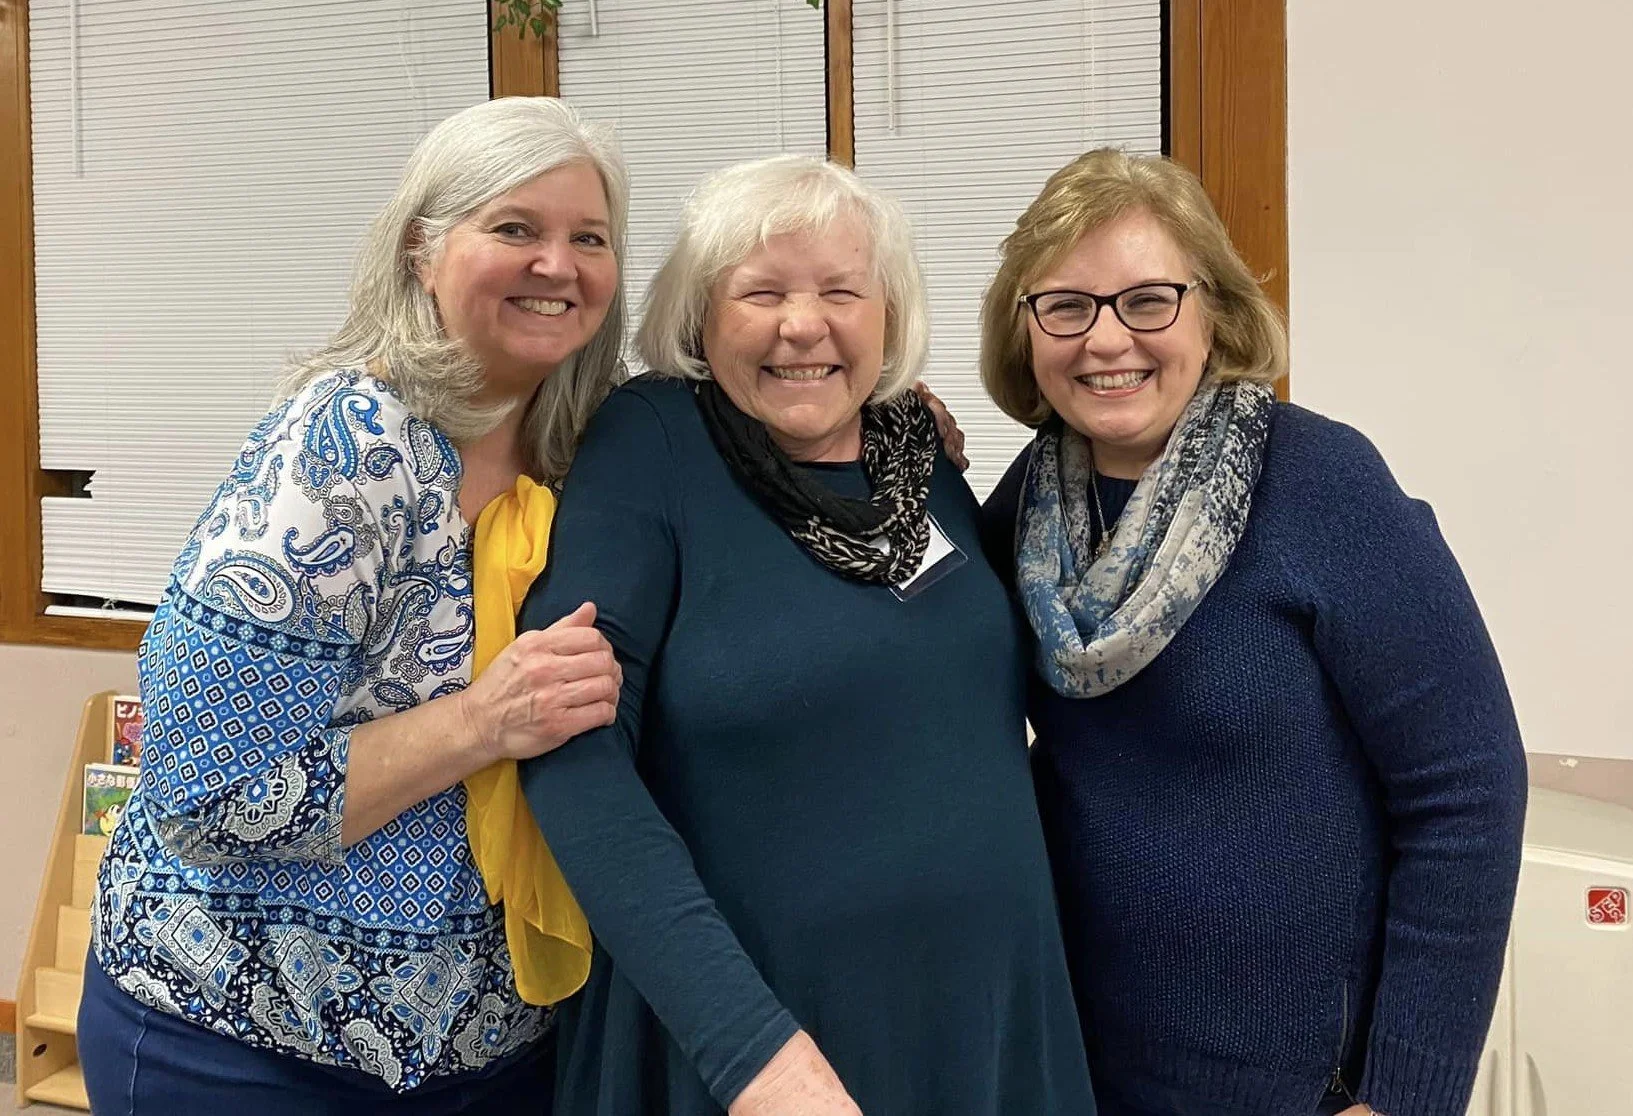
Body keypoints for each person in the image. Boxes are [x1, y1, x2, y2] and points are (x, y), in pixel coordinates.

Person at [514, 154, 1097, 1116]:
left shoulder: (916, 451)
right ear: (700, 317)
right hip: (756, 1050)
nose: (803, 324)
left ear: (886, 315)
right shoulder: (654, 443)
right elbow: (570, 755)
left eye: (840, 291)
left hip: (986, 1021)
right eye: (762, 293)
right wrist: (752, 1055)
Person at [79, 97, 630, 1113]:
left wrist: (894, 427)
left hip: (497, 1044)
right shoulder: (346, 444)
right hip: (245, 1044)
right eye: (515, 228)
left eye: (589, 239)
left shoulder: (593, 445)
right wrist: (482, 722)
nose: (558, 265)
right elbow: (203, 797)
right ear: (422, 249)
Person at [977, 147, 1529, 1116]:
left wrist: (1404, 1095)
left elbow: (1467, 792)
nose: (1105, 339)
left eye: (1147, 300)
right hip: (1080, 1069)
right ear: (1023, 330)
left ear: (1215, 312)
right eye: (1065, 305)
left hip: (1299, 1088)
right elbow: (920, 667)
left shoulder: (1322, 483)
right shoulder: (1027, 507)